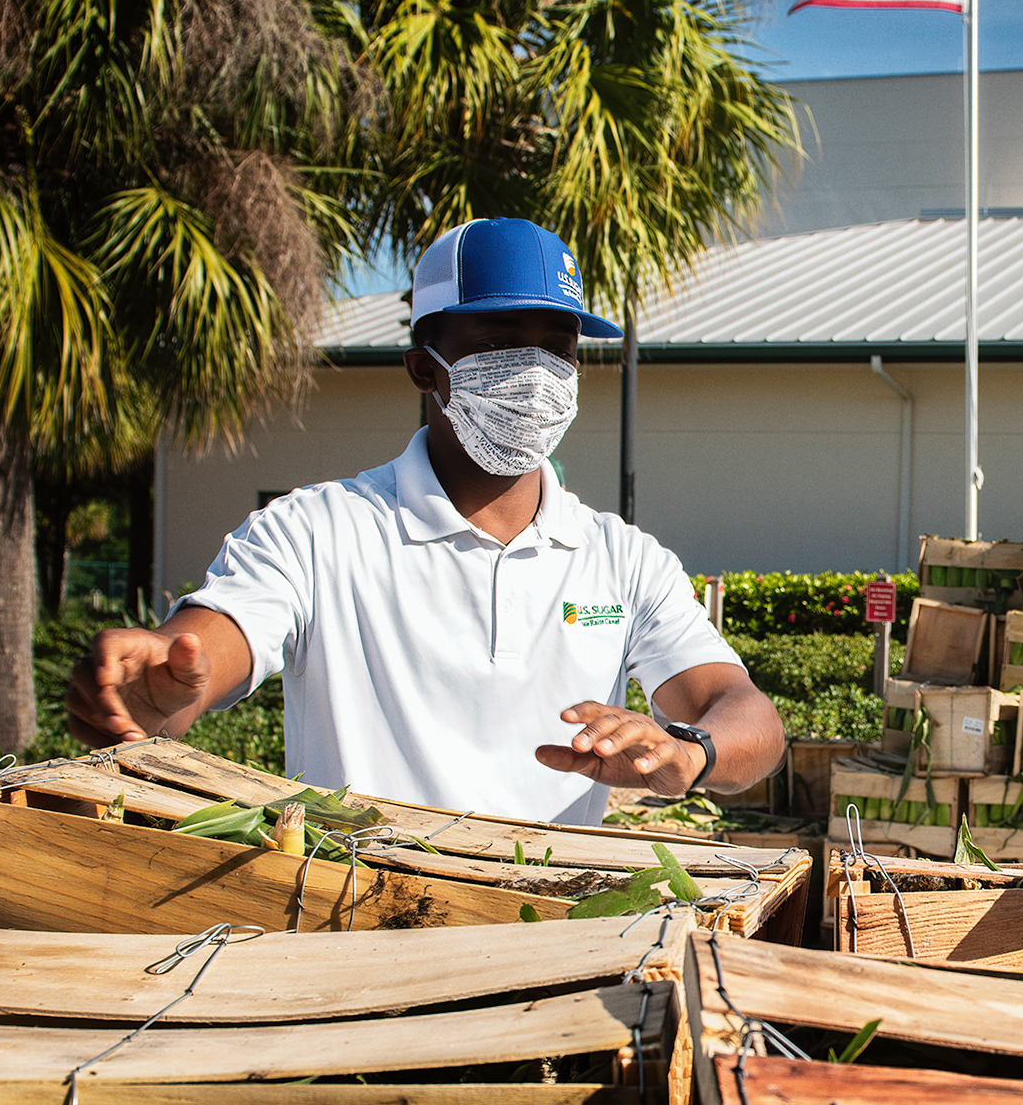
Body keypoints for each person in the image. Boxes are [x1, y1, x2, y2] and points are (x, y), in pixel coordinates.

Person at [66, 217, 785, 824]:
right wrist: (160, 689)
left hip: (555, 935)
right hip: (356, 938)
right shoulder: (318, 531)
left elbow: (748, 714)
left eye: (557, 347)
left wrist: (692, 751)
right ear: (421, 366)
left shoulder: (622, 558)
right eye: (501, 341)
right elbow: (203, 655)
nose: (533, 373)